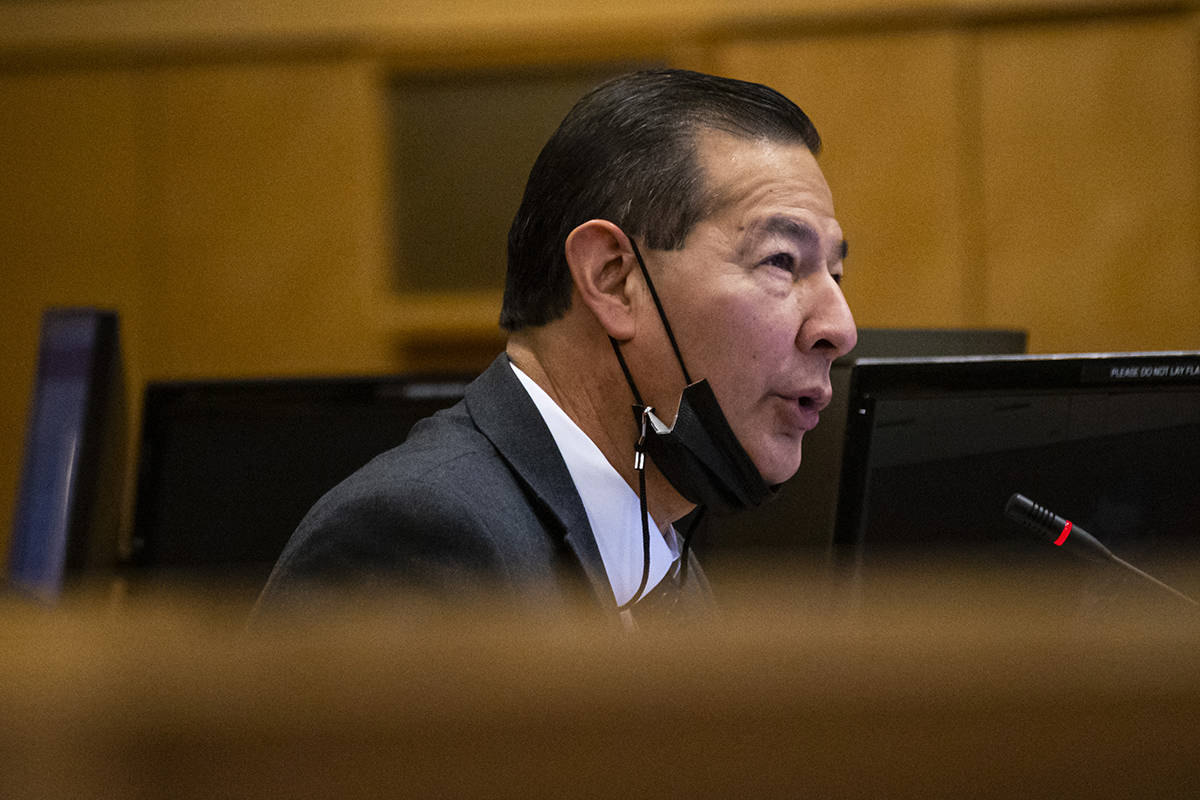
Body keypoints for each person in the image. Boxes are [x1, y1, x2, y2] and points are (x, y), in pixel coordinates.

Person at [255, 69, 857, 626]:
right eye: (782, 261)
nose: (840, 328)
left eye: (835, 273)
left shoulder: (659, 542)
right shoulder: (420, 542)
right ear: (613, 280)